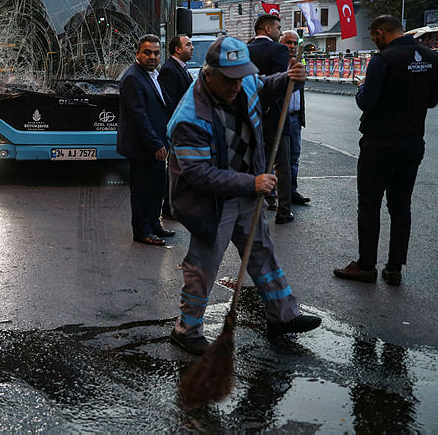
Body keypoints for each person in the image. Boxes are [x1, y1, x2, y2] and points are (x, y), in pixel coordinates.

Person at [167, 36, 321, 355]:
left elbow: (263, 85)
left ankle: (283, 315)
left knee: (262, 251)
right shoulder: (189, 117)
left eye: (241, 77)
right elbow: (197, 174)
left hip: (248, 186)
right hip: (210, 200)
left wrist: (286, 79)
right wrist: (252, 184)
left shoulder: (246, 80)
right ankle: (187, 328)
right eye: (229, 80)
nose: (237, 86)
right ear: (208, 75)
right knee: (203, 264)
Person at [333, 15, 438, 287]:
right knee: (401, 206)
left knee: (369, 204)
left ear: (380, 33)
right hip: (413, 142)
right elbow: (432, 101)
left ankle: (367, 265)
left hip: (380, 143)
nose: (374, 42)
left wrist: (360, 88)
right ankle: (394, 268)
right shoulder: (432, 57)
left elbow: (367, 102)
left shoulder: (382, 60)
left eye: (374, 37)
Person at [117, 34, 174, 246]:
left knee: (156, 186)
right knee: (142, 190)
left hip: (157, 143)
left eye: (156, 53)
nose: (152, 57)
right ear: (137, 54)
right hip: (143, 147)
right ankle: (142, 230)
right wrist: (155, 144)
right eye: (147, 52)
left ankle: (154, 224)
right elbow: (138, 116)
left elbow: (162, 107)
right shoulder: (132, 77)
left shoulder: (152, 74)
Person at [248, 13, 294, 224]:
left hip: (249, 114)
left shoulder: (244, 50)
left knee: (255, 161)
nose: (280, 32)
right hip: (274, 115)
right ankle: (284, 210)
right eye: (278, 28)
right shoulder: (279, 49)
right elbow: (280, 84)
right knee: (282, 165)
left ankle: (256, 205)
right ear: (267, 29)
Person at [158, 34, 194, 220]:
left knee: (179, 168)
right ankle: (168, 206)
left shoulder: (181, 68)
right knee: (174, 169)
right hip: (177, 128)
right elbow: (169, 103)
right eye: (188, 45)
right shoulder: (170, 70)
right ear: (177, 49)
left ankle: (174, 204)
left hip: (184, 127)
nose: (192, 47)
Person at [280, 30, 310, 207]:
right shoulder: (277, 63)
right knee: (280, 159)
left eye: (294, 43)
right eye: (288, 43)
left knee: (294, 156)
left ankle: (291, 191)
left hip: (295, 118)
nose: (291, 47)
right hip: (280, 118)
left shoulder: (299, 62)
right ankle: (274, 192)